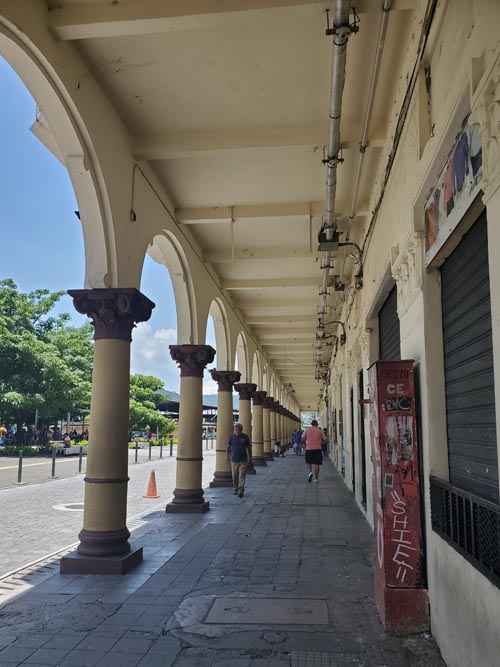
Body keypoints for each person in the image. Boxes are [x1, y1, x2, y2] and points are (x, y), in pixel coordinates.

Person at [226, 422, 252, 498]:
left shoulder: (245, 437)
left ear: (241, 430)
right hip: (234, 460)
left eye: (238, 430)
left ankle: (241, 490)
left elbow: (249, 448)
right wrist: (227, 456)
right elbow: (227, 447)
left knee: (242, 475)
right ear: (234, 429)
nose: (237, 432)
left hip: (243, 460)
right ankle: (236, 489)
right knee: (235, 476)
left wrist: (250, 457)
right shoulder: (231, 437)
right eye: (236, 430)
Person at [302, 419, 327, 483]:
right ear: (316, 424)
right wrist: (321, 443)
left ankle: (310, 473)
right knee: (317, 464)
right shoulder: (320, 430)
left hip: (309, 449)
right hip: (317, 449)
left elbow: (302, 438)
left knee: (309, 462)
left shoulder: (307, 430)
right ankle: (316, 479)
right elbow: (325, 439)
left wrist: (305, 444)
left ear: (311, 424)